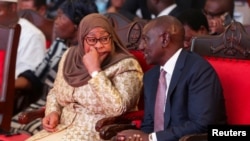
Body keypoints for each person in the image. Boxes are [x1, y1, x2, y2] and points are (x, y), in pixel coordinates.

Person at [26, 13, 143, 141]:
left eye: (104, 39)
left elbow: (118, 109)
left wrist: (95, 71)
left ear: (112, 37)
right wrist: (53, 112)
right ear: (82, 39)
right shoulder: (70, 56)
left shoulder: (126, 65)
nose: (99, 46)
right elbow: (55, 91)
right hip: (61, 127)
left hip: (96, 133)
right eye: (92, 40)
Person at [114, 15, 227, 141]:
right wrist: (137, 137)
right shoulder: (151, 77)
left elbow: (202, 125)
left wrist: (151, 138)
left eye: (146, 39)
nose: (140, 46)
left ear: (165, 39)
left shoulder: (199, 71)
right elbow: (149, 125)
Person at [11, 0, 98, 136]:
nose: (55, 22)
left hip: (66, 112)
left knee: (30, 132)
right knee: (10, 126)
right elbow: (36, 76)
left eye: (61, 17)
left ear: (77, 23)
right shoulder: (60, 44)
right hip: (41, 103)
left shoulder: (89, 53)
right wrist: (8, 85)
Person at [0, 0, 46, 113]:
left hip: (10, 102)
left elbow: (29, 79)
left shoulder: (32, 36)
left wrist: (4, 88)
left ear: (12, 8)